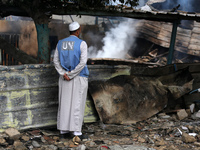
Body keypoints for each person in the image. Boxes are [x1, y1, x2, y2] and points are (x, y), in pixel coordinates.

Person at [53, 21, 89, 141]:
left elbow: (55, 61)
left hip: (64, 78)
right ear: (78, 31)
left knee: (64, 103)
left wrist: (63, 73)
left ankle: (63, 131)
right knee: (77, 103)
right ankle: (76, 132)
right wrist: (72, 74)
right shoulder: (82, 43)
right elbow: (82, 62)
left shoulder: (60, 43)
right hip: (78, 77)